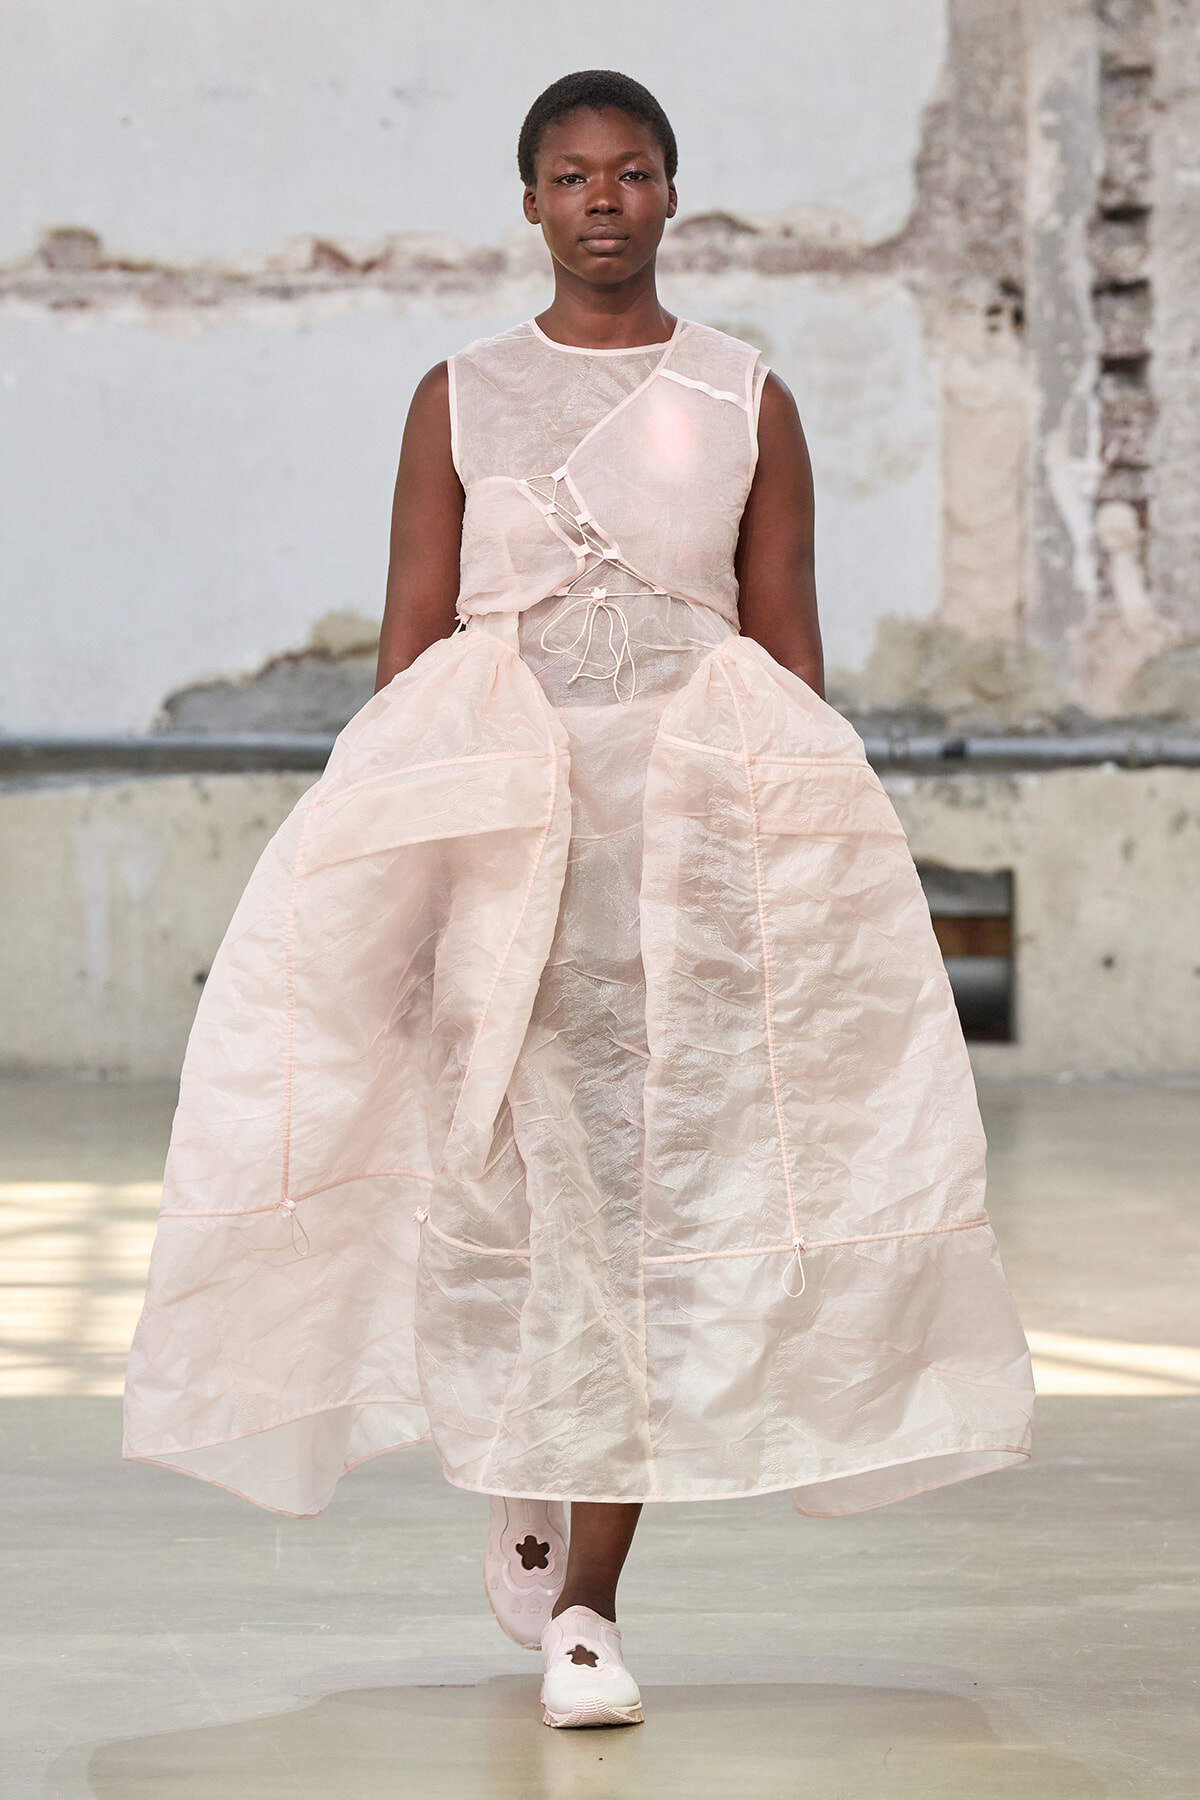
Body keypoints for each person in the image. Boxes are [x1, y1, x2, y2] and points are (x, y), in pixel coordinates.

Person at [124, 70, 1034, 1732]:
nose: (602, 199)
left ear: (674, 194)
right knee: (501, 1181)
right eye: (570, 174)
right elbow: (413, 643)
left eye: (631, 172)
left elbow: (785, 647)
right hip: (497, 836)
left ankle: (593, 1605)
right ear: (531, 203)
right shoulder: (459, 395)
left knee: (640, 1204)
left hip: (679, 855)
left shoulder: (746, 394)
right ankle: (528, 1472)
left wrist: (800, 876)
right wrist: (388, 871)